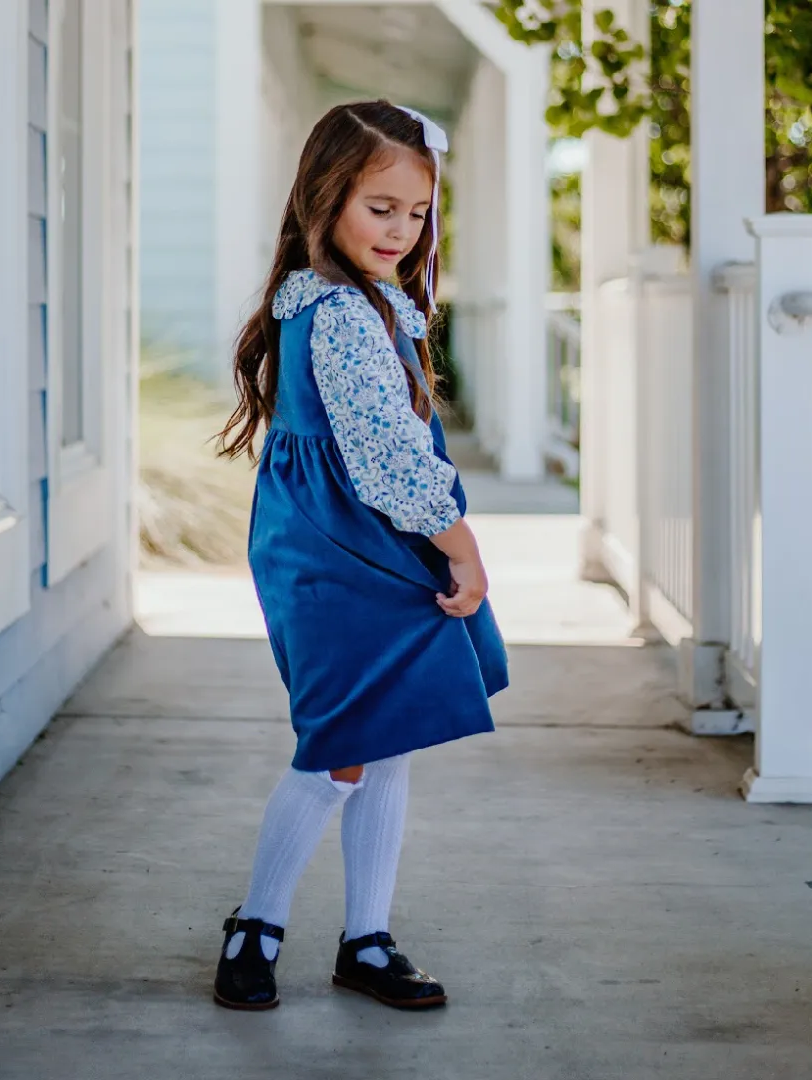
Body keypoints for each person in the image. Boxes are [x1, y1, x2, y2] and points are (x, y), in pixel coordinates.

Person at [213, 99, 508, 1012]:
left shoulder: (374, 304)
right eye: (380, 207)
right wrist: (461, 547)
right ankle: (255, 925)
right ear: (325, 196)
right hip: (343, 555)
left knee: (387, 737)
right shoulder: (340, 314)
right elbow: (386, 459)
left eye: (417, 213)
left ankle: (365, 939)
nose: (402, 230)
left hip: (364, 545)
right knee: (341, 746)